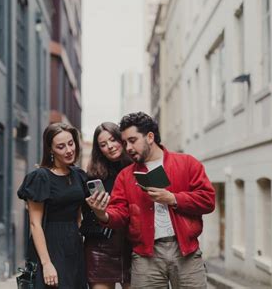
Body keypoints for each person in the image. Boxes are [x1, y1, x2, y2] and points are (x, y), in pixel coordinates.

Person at [86, 112, 215, 289]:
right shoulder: (125, 176)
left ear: (150, 137)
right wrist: (103, 214)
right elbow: (120, 213)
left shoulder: (187, 163)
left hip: (186, 251)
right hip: (145, 255)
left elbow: (208, 200)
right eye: (125, 143)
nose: (128, 147)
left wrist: (173, 198)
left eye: (132, 140)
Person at [17, 122, 87, 289]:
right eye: (61, 146)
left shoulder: (78, 175)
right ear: (51, 150)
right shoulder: (41, 177)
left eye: (71, 143)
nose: (69, 150)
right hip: (50, 246)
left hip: (74, 247)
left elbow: (78, 214)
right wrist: (47, 264)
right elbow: (35, 224)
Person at [82, 122, 132, 289]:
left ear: (121, 139)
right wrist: (98, 212)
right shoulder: (93, 176)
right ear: (99, 150)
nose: (110, 146)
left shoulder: (137, 169)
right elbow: (87, 216)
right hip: (101, 246)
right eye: (103, 144)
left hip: (134, 245)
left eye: (113, 140)